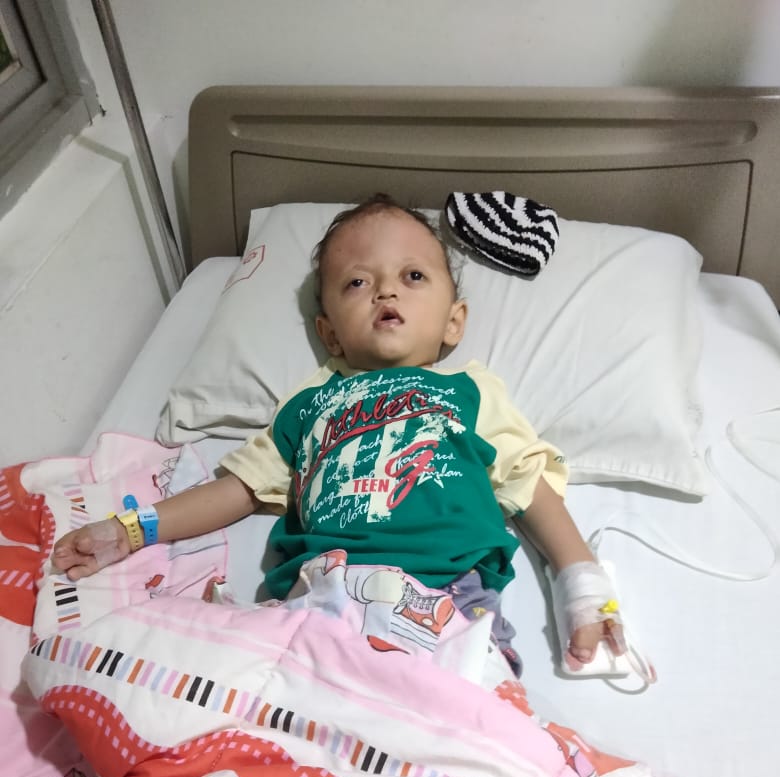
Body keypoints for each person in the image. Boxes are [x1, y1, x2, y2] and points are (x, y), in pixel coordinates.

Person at [52, 194, 624, 672]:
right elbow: (237, 490)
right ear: (329, 333)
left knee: (461, 719)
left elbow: (528, 484)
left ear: (454, 321)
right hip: (320, 595)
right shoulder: (309, 404)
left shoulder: (470, 392)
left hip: (444, 596)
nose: (386, 292)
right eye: (356, 282)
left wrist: (583, 588)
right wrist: (130, 529)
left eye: (413, 276)